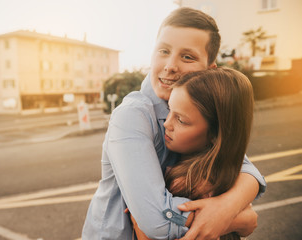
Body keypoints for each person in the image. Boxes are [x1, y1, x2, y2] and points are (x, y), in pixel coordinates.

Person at [82, 7, 266, 240]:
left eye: (187, 56)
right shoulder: (132, 115)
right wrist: (237, 220)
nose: (170, 65)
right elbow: (157, 222)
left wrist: (226, 207)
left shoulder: (201, 107)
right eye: (163, 50)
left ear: (209, 70)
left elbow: (244, 167)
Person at [130, 67, 258, 240]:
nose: (166, 124)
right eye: (169, 110)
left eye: (181, 120)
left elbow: (156, 231)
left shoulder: (188, 183)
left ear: (215, 134)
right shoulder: (228, 174)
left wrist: (137, 217)